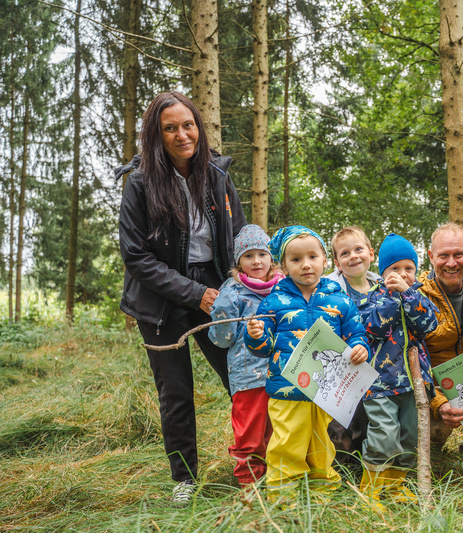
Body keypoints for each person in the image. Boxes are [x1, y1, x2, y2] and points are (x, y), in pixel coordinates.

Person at [116, 91, 246, 503]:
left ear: (198, 126)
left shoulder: (219, 176)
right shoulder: (138, 184)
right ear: (156, 135)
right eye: (169, 128)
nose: (181, 134)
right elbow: (136, 256)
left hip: (218, 289)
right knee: (175, 392)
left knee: (243, 378)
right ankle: (185, 480)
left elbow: (239, 237)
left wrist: (250, 281)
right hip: (160, 299)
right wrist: (194, 293)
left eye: (187, 125)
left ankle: (258, 460)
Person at [244, 226, 370, 499]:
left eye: (313, 257)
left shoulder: (340, 299)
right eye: (296, 259)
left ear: (325, 260)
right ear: (283, 265)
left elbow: (356, 333)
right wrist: (255, 335)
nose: (306, 265)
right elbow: (263, 348)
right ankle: (283, 497)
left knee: (323, 443)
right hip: (287, 389)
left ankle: (322, 492)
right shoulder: (274, 301)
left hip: (326, 391)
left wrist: (360, 347)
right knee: (288, 443)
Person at [359, 233, 438, 506]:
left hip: (415, 383)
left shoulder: (419, 297)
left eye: (408, 269)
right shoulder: (373, 297)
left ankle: (396, 486)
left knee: (409, 436)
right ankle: (371, 489)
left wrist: (408, 295)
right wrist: (394, 299)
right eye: (395, 269)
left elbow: (430, 325)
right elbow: (373, 328)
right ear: (382, 272)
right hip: (380, 383)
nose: (402, 274)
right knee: (384, 435)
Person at [208, 225, 284, 488]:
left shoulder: (285, 287)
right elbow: (221, 339)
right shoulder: (231, 290)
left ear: (271, 257)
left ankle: (277, 480)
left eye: (262, 254)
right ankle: (249, 484)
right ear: (238, 261)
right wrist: (222, 313)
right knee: (250, 433)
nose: (256, 261)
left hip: (282, 372)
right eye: (248, 256)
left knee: (279, 430)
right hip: (247, 376)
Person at [417, 223, 463, 454]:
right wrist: (438, 403)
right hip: (433, 391)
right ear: (430, 256)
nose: (451, 263)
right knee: (428, 448)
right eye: (443, 256)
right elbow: (410, 365)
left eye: (458, 255)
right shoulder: (417, 298)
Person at [324, 226, 381, 464]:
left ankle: (364, 463)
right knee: (341, 421)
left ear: (371, 253)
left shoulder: (383, 288)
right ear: (337, 263)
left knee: (368, 418)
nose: (353, 256)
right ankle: (341, 467)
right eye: (345, 253)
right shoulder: (331, 293)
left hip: (378, 366)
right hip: (344, 369)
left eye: (359, 249)